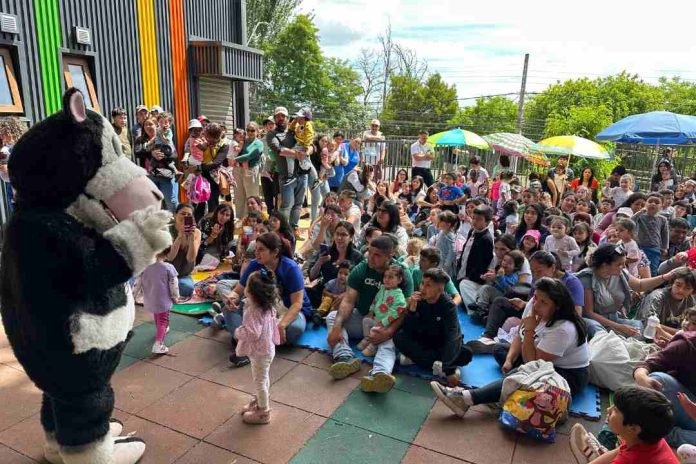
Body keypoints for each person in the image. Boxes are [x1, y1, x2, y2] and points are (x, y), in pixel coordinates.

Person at [432, 278, 590, 417]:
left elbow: (533, 365)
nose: (536, 305)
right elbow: (518, 336)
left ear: (556, 307)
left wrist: (529, 330)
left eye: (544, 302)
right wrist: (509, 359)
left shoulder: (562, 328)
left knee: (523, 373)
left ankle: (466, 398)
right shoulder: (533, 304)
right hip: (538, 358)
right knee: (500, 350)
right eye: (536, 298)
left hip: (568, 375)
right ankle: (502, 393)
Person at [326, 236, 414, 393]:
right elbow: (348, 301)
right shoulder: (361, 268)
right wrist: (337, 326)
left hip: (388, 324)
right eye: (370, 252)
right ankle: (345, 357)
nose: (370, 257)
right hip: (365, 318)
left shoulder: (401, 272)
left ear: (390, 256)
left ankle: (379, 374)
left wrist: (388, 331)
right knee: (334, 317)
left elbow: (405, 309)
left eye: (377, 255)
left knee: (389, 342)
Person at [468, 250, 585, 352]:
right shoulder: (538, 280)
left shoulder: (571, 282)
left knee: (507, 349)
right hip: (535, 315)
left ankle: (503, 346)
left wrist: (540, 316)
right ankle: (488, 337)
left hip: (554, 321)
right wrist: (523, 303)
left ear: (553, 268)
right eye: (533, 272)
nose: (535, 275)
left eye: (539, 271)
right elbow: (531, 303)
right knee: (500, 302)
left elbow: (576, 313)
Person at [223, 233, 311, 365]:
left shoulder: (290, 268)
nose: (257, 253)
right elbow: (238, 291)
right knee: (228, 311)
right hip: (261, 310)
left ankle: (248, 343)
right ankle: (256, 344)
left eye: (261, 250)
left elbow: (297, 304)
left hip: (286, 312)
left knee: (294, 329)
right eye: (256, 249)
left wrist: (282, 325)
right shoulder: (254, 265)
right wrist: (231, 298)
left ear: (275, 252)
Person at [577, 243, 681, 338]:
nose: (623, 267)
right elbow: (590, 313)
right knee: (600, 334)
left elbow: (640, 285)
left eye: (624, 263)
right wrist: (618, 327)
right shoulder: (587, 278)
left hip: (614, 318)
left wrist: (666, 277)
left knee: (638, 328)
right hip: (593, 321)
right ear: (605, 265)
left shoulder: (620, 273)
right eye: (619, 264)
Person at [394, 268, 473, 386]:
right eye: (422, 283)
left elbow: (452, 337)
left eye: (428, 285)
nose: (422, 288)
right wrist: (412, 310)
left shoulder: (448, 306)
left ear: (440, 289)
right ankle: (439, 367)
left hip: (441, 345)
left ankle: (420, 361)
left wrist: (447, 366)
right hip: (423, 341)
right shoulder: (418, 300)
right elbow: (408, 331)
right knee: (398, 337)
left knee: (466, 353)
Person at [570, 386, 679, 464]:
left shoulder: (630, 459)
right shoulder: (649, 440)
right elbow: (618, 452)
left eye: (615, 410)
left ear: (634, 428)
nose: (608, 409)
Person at [633, 329, 696, 449]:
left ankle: (664, 434)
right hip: (680, 401)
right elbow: (650, 363)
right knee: (658, 379)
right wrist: (641, 377)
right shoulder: (688, 344)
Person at [234, 270, 281, 425]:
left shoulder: (252, 312)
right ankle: (260, 400)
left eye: (247, 286)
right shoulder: (269, 306)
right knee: (263, 377)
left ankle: (263, 411)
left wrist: (238, 332)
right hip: (268, 349)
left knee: (259, 380)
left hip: (259, 352)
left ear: (252, 293)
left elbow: (252, 333)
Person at [267, 106, 308, 230]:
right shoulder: (271, 134)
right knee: (286, 205)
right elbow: (279, 150)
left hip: (302, 174)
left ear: (287, 118)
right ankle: (283, 229)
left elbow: (309, 143)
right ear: (275, 118)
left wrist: (307, 151)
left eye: (283, 116)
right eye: (277, 116)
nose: (280, 118)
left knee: (298, 204)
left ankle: (294, 227)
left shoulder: (295, 132)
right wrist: (297, 154)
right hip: (286, 177)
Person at [134, 247, 179, 354]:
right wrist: (175, 297)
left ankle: (161, 329)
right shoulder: (168, 268)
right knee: (164, 320)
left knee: (157, 315)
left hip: (150, 299)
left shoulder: (144, 267)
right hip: (163, 301)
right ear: (167, 253)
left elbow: (137, 283)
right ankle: (159, 344)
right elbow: (174, 284)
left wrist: (133, 296)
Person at [357, 264, 408, 356]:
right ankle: (367, 339)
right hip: (377, 318)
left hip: (387, 323)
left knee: (375, 330)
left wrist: (384, 322)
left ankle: (372, 346)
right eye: (385, 276)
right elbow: (375, 300)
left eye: (391, 277)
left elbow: (396, 312)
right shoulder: (383, 288)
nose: (386, 279)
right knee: (366, 321)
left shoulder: (399, 296)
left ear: (399, 280)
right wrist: (371, 312)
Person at [637, 267, 696, 341]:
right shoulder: (657, 297)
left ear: (693, 291)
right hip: (646, 336)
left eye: (687, 288)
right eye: (678, 285)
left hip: (673, 339)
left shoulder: (690, 301)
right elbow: (650, 325)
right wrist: (682, 333)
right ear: (672, 283)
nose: (681, 290)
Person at [456, 204, 495, 309]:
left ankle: (477, 309)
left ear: (487, 222)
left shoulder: (486, 239)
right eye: (473, 218)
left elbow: (483, 263)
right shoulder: (472, 232)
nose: (475, 221)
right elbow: (465, 251)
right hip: (463, 270)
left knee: (465, 288)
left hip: (474, 278)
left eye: (479, 219)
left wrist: (471, 276)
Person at [194, 122, 231, 220]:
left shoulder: (224, 144)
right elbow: (193, 153)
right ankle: (197, 224)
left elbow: (217, 162)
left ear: (217, 136)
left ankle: (212, 223)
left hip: (214, 177)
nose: (207, 139)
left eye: (209, 138)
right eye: (206, 136)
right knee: (199, 201)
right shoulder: (202, 141)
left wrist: (201, 168)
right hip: (201, 175)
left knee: (213, 201)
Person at [167, 203, 202, 297]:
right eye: (183, 213)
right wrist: (180, 237)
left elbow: (191, 258)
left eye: (189, 215)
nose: (186, 217)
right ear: (175, 215)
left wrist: (191, 239)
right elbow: (170, 257)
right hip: (166, 273)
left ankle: (165, 290)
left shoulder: (197, 232)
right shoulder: (167, 230)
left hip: (183, 274)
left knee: (187, 289)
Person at [231, 122, 263, 218]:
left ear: (257, 131)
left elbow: (249, 156)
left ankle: (253, 218)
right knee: (239, 195)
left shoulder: (259, 143)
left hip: (251, 170)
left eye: (252, 130)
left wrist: (235, 160)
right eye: (248, 130)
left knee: (251, 196)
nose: (250, 132)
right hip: (238, 169)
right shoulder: (243, 141)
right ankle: (241, 219)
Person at [634, 193, 669, 276]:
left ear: (661, 206)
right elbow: (631, 222)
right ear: (645, 204)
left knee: (653, 269)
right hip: (640, 247)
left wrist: (664, 247)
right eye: (650, 202)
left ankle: (650, 287)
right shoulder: (640, 217)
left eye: (657, 203)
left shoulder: (663, 219)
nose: (653, 204)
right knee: (638, 268)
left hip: (654, 248)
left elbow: (665, 233)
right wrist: (639, 212)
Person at [282, 108, 315, 187]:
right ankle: (315, 179)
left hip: (303, 145)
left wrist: (306, 147)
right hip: (298, 144)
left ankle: (290, 176)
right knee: (305, 162)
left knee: (290, 156)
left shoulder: (307, 124)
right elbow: (291, 128)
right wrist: (295, 121)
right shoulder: (298, 124)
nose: (299, 118)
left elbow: (310, 135)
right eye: (298, 117)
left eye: (301, 117)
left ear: (306, 118)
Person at [435, 210, 458, 278]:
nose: (438, 223)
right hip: (439, 261)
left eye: (440, 221)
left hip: (445, 266)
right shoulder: (442, 232)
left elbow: (452, 251)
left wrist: (446, 266)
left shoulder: (450, 235)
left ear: (448, 224)